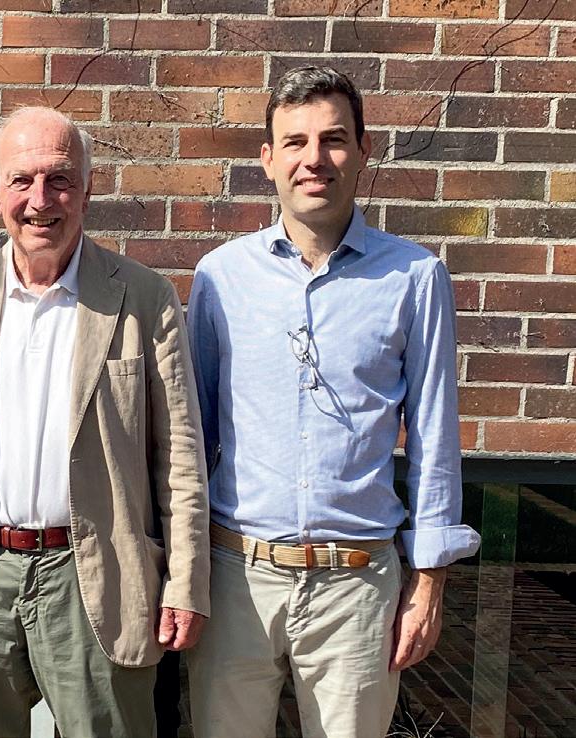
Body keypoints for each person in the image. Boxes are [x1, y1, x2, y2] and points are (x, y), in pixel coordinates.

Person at [186, 65, 480, 738]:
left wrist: (428, 581)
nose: (313, 158)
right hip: (235, 578)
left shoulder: (414, 277)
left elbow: (434, 437)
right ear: (267, 158)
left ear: (362, 150)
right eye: (294, 141)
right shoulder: (220, 277)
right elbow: (191, 437)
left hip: (357, 586)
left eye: (333, 139)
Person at [0, 106, 211, 738]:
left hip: (97, 579)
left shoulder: (144, 299)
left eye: (59, 179)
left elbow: (180, 457)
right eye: (21, 180)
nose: (40, 199)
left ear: (87, 188)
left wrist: (186, 582)